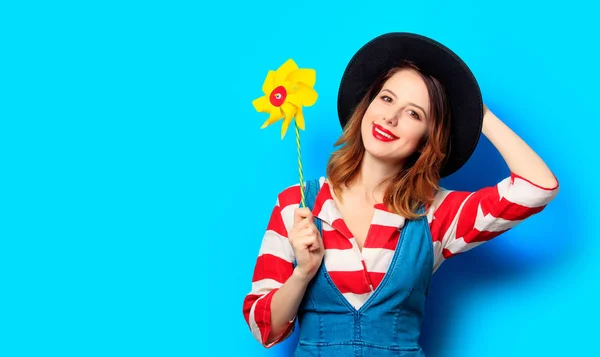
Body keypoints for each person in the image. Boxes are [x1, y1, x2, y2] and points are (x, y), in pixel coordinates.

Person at [242, 32, 559, 356]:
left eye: (414, 114)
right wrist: (303, 272)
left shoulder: (436, 214)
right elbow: (264, 327)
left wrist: (479, 112)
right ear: (367, 105)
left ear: (427, 138)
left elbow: (537, 187)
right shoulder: (296, 204)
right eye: (387, 98)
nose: (391, 118)